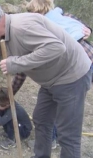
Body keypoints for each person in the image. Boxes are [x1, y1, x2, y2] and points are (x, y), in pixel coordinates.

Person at [0, 2, 91, 158]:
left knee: (68, 133)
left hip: (71, 77)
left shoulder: (23, 28)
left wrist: (15, 63)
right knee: (41, 119)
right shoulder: (3, 33)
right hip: (50, 81)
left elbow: (56, 47)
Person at [26, 0, 93, 149]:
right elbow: (76, 25)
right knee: (52, 108)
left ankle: (53, 140)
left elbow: (82, 28)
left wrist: (88, 29)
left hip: (79, 67)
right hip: (83, 59)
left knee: (64, 112)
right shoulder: (60, 15)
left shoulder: (45, 25)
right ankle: (51, 140)